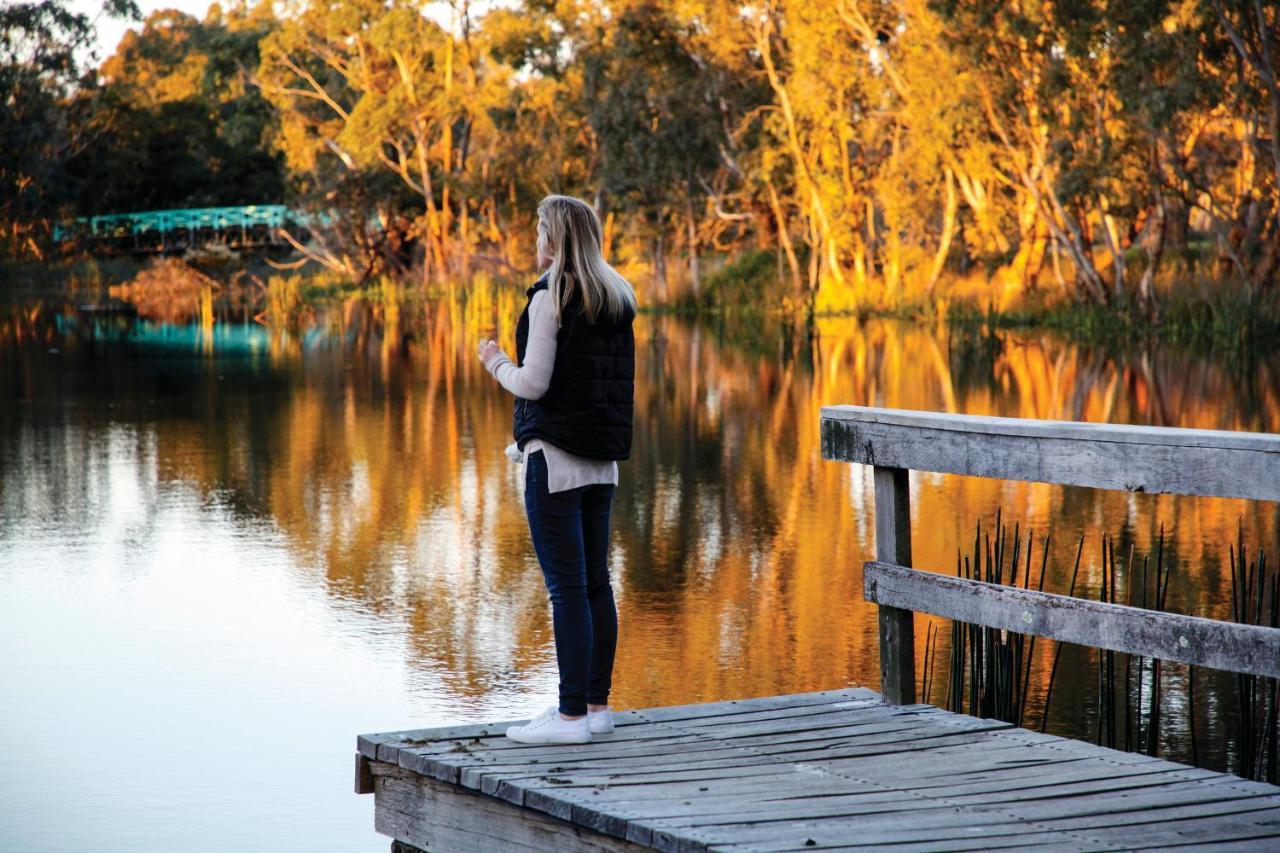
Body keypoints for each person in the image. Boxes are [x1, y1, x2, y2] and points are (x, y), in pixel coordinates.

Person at [477, 194, 637, 744]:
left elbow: (534, 384)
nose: (536, 238)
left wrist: (495, 362)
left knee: (566, 590)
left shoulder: (551, 298)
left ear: (556, 237)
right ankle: (596, 708)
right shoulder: (617, 296)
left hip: (556, 464)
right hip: (602, 464)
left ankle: (569, 718)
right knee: (596, 584)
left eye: (540, 228)